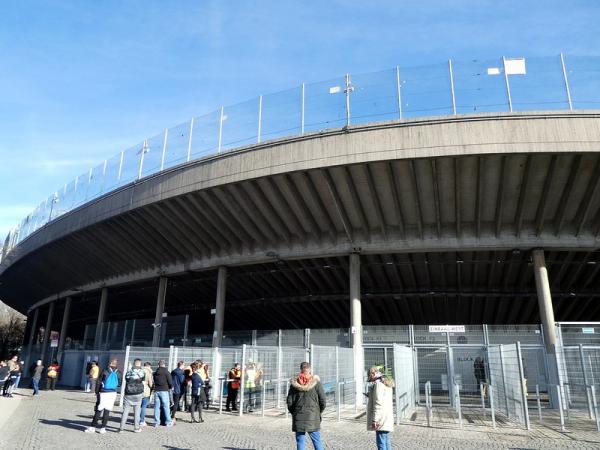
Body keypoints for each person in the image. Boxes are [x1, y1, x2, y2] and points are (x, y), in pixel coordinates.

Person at [287, 362, 326, 450]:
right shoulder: (316, 383)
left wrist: (295, 412)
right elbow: (323, 401)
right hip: (313, 416)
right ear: (310, 370)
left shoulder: (294, 384)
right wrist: (318, 411)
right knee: (317, 441)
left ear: (301, 369)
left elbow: (289, 402)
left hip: (298, 416)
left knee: (300, 441)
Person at [84, 358, 121, 434]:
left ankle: (92, 427)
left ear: (110, 363)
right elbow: (119, 383)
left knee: (98, 410)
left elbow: (99, 382)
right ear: (116, 364)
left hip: (104, 392)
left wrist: (97, 392)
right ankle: (103, 428)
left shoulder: (105, 371)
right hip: (113, 393)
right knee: (107, 411)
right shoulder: (119, 373)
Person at [366, 365, 395, 450]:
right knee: (386, 441)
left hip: (381, 418)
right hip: (386, 416)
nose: (370, 379)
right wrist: (371, 395)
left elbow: (378, 403)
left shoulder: (378, 385)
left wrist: (375, 420)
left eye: (370, 376)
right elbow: (383, 399)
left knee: (381, 443)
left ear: (373, 373)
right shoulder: (385, 382)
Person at [119, 358, 145, 433]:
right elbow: (143, 379)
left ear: (134, 364)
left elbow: (126, 380)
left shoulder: (129, 372)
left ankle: (121, 428)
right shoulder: (142, 372)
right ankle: (136, 428)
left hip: (128, 393)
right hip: (138, 393)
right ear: (140, 364)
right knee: (137, 411)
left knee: (125, 411)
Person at [153, 360, 174, 427]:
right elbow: (170, 382)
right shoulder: (166, 372)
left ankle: (156, 422)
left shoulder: (155, 372)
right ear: (164, 364)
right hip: (164, 390)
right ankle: (168, 422)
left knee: (156, 407)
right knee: (166, 407)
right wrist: (170, 387)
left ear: (158, 365)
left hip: (156, 391)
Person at [139, 362, 154, 427]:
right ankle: (142, 421)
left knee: (137, 406)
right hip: (145, 391)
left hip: (138, 390)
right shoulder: (148, 372)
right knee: (144, 406)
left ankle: (137, 419)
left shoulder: (139, 371)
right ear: (149, 366)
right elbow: (150, 384)